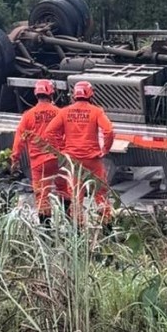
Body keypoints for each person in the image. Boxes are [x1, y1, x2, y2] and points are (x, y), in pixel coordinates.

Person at [45, 80, 115, 224]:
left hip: (74, 162)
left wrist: (61, 149)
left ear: (74, 95)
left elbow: (49, 131)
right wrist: (105, 149)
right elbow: (109, 131)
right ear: (90, 95)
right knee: (100, 194)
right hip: (93, 160)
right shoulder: (96, 111)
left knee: (76, 196)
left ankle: (78, 231)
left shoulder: (65, 112)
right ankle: (107, 228)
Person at [10, 79, 61, 224]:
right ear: (51, 93)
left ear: (36, 94)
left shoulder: (28, 116)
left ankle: (46, 229)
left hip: (38, 164)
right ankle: (72, 226)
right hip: (59, 160)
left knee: (42, 195)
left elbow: (19, 140)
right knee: (65, 190)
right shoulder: (59, 113)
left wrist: (15, 160)